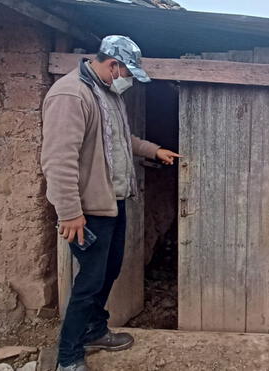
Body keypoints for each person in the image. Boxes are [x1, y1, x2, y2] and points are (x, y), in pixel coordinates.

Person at [41, 35, 181, 371]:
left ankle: (94, 330)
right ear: (111, 64)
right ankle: (69, 357)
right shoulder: (70, 94)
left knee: (108, 271)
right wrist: (70, 213)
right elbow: (58, 160)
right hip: (86, 211)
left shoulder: (104, 94)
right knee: (89, 282)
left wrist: (152, 150)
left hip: (111, 203)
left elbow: (121, 139)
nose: (126, 80)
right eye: (125, 73)